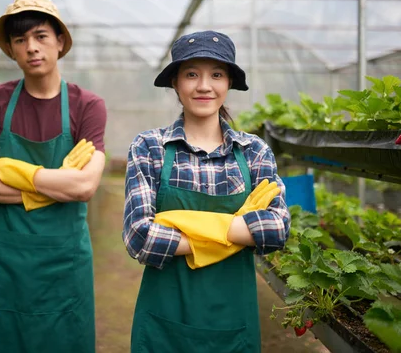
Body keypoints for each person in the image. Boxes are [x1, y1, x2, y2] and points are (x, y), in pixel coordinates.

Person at [123, 30, 291, 352]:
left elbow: (277, 229)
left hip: (233, 324)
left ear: (228, 83)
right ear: (176, 83)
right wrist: (238, 228)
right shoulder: (150, 147)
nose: (204, 86)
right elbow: (140, 238)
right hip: (164, 323)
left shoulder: (254, 151)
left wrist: (177, 222)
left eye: (216, 74)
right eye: (191, 74)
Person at [0, 0, 106, 353]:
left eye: (41, 36)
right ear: (11, 49)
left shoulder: (86, 105)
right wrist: (57, 182)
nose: (31, 47)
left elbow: (85, 186)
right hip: (8, 257)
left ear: (60, 42)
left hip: (64, 258)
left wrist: (11, 171)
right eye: (20, 39)